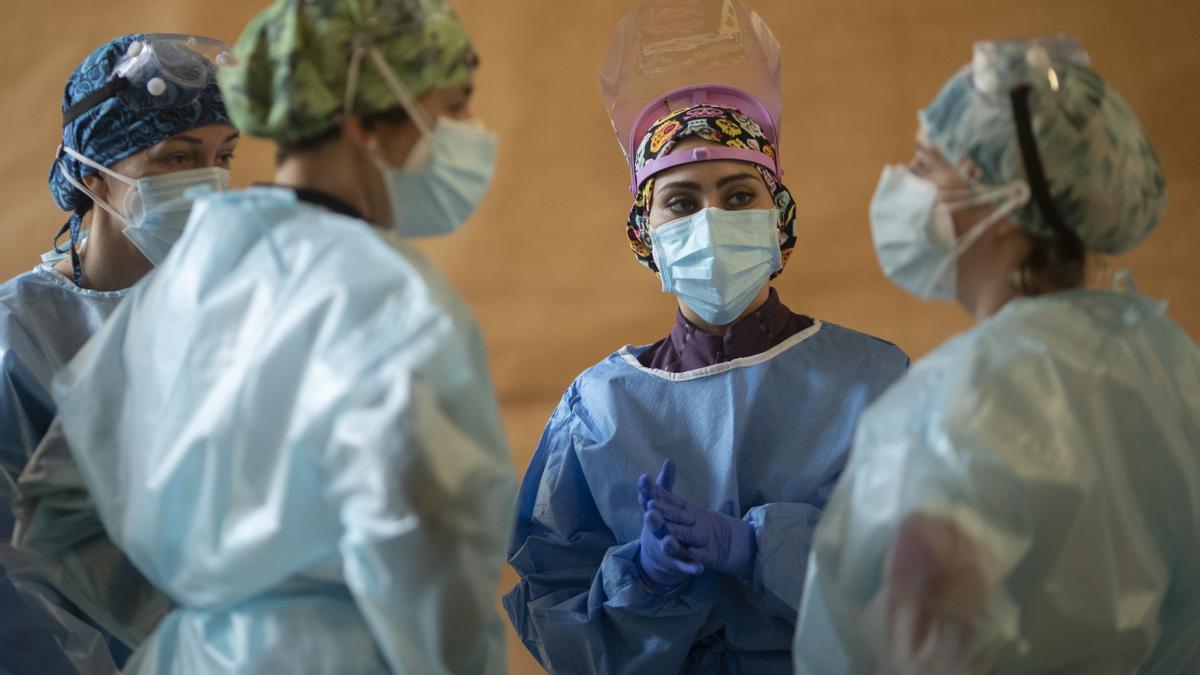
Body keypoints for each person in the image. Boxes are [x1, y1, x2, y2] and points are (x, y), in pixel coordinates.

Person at [22, 0, 517, 672]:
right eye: (452, 109)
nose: (467, 134)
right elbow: (428, 557)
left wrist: (203, 614)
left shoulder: (197, 266)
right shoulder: (388, 297)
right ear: (364, 121)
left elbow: (58, 508)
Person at [503, 2, 908, 672]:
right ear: (647, 235)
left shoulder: (875, 383)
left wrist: (761, 547)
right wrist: (644, 577)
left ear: (779, 219)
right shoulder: (599, 409)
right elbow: (556, 609)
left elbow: (922, 574)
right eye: (683, 202)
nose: (712, 219)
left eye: (740, 194)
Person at [793, 36, 1200, 674]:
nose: (906, 183)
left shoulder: (963, 405)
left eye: (928, 165)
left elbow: (916, 643)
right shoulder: (1170, 363)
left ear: (1006, 204)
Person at [0, 33, 236, 674]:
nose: (209, 182)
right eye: (177, 157)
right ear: (91, 169)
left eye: (224, 156)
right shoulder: (19, 339)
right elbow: (16, 587)